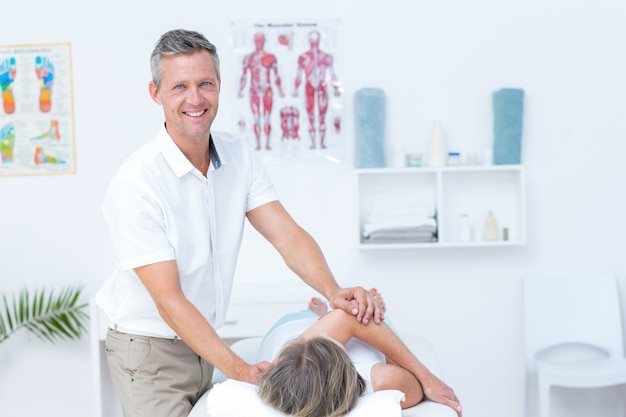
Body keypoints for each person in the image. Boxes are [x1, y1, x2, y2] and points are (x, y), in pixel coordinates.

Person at [96, 29, 382, 417]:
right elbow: (169, 300)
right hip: (150, 350)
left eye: (205, 84)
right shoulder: (137, 184)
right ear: (155, 93)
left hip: (202, 343)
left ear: (219, 86)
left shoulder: (237, 154)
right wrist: (238, 368)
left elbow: (287, 235)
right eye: (179, 86)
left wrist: (332, 291)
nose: (195, 99)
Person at [256, 291, 463, 417]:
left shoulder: (271, 370)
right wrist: (424, 378)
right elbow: (349, 318)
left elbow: (345, 318)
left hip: (287, 328)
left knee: (352, 314)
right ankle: (374, 314)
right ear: (348, 364)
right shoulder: (381, 380)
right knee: (368, 316)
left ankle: (319, 316)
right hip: (322, 327)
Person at [292, 30, 340, 149]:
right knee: (311, 116)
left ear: (319, 40)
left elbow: (332, 73)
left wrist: (336, 87)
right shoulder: (303, 57)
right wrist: (295, 89)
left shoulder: (326, 57)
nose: (314, 43)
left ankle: (322, 143)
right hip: (309, 87)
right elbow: (299, 74)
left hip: (322, 87)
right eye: (312, 40)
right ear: (309, 40)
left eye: (316, 40)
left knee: (322, 116)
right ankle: (313, 142)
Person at [237, 32, 285, 151]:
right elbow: (244, 76)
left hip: (267, 89)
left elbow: (276, 75)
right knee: (256, 117)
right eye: (257, 40)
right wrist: (240, 90)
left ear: (264, 41)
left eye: (261, 40)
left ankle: (267, 143)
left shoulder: (270, 57)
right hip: (254, 90)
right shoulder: (248, 58)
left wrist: (280, 90)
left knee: (267, 117)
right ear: (254, 41)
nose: (259, 43)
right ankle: (258, 144)